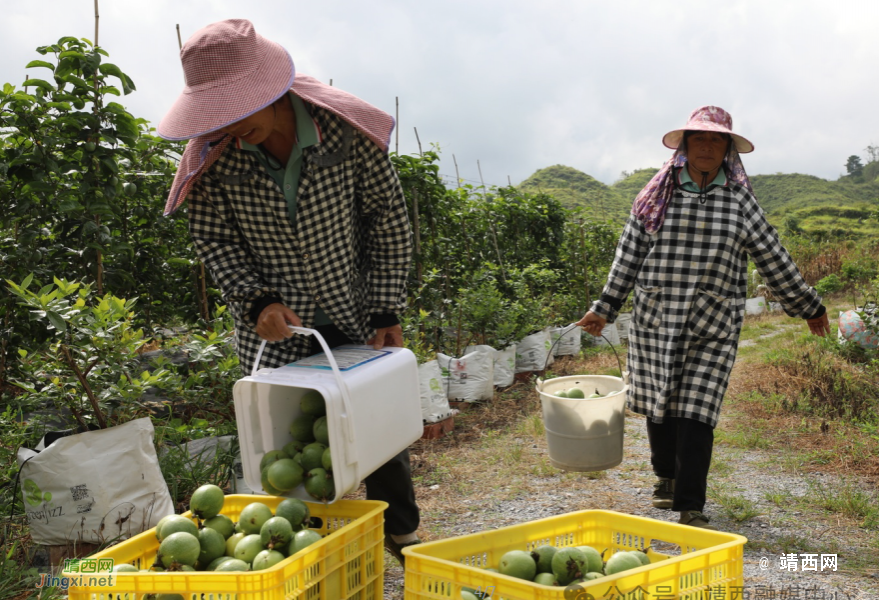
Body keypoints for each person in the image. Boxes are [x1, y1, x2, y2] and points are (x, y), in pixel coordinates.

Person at [157, 19, 420, 564]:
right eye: (219, 114)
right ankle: (300, 548)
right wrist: (257, 301)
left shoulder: (342, 133)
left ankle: (401, 534)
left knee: (374, 424)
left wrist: (385, 307)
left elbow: (388, 221)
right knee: (287, 444)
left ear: (272, 89)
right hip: (276, 327)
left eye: (239, 107)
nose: (231, 124)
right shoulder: (213, 157)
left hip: (350, 307)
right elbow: (215, 242)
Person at [577, 106, 831, 530]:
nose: (708, 146)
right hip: (657, 316)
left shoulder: (739, 200)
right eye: (700, 138)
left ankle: (690, 502)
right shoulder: (656, 195)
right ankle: (665, 475)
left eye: (717, 140)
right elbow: (629, 254)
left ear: (728, 149)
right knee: (659, 400)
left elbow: (772, 255)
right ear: (685, 145)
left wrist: (808, 305)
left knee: (698, 409)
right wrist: (605, 307)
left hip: (714, 322)